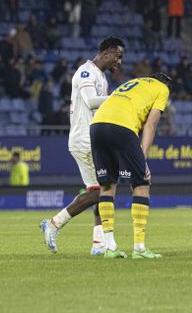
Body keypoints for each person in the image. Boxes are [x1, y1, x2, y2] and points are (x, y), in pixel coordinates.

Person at [40, 36, 125, 255]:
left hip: (93, 138)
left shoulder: (101, 77)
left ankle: (98, 244)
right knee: (102, 191)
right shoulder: (86, 72)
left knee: (103, 188)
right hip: (84, 140)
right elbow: (90, 100)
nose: (119, 62)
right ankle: (54, 223)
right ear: (106, 53)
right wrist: (119, 97)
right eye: (118, 56)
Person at [90, 73, 170, 259]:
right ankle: (139, 248)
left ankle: (110, 247)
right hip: (122, 127)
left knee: (107, 185)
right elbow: (150, 125)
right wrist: (143, 160)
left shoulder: (133, 83)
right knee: (141, 184)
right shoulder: (162, 88)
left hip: (97, 126)